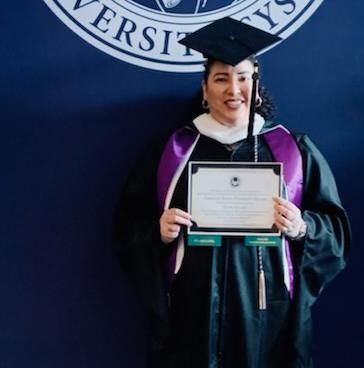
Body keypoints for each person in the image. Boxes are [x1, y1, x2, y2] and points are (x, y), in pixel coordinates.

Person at [115, 17, 351, 368]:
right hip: (191, 314)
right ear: (205, 87)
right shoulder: (174, 150)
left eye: (243, 78)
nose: (233, 90)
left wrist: (302, 227)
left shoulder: (292, 149)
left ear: (256, 84)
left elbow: (335, 231)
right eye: (221, 78)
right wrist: (158, 233)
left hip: (267, 313)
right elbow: (129, 225)